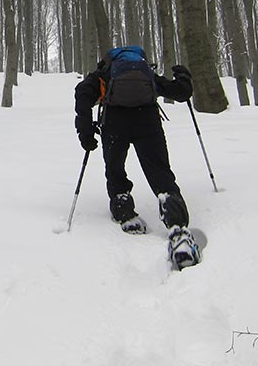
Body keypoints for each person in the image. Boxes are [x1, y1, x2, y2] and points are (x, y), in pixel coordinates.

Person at [73, 46, 200, 268]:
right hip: (147, 121)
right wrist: (183, 75)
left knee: (115, 168)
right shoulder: (146, 73)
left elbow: (83, 92)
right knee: (160, 172)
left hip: (114, 124)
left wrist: (85, 131)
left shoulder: (104, 73)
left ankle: (123, 208)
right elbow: (181, 92)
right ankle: (177, 225)